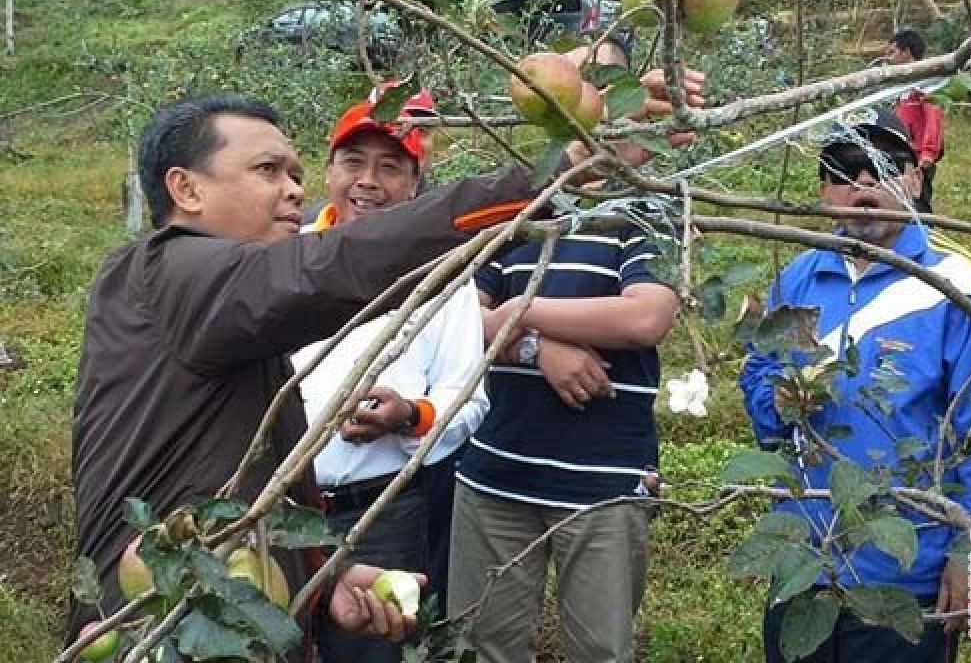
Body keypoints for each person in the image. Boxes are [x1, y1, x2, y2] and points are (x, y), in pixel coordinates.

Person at [68, 92, 659, 657]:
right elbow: (334, 266)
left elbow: (234, 473)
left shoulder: (212, 300)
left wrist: (326, 576)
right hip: (158, 621)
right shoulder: (176, 272)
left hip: (225, 596)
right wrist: (553, 173)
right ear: (186, 188)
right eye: (268, 171)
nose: (291, 189)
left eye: (295, 173)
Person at [445, 50, 704, 663]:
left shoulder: (650, 206)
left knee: (599, 650)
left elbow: (645, 316)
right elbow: (459, 317)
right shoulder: (520, 210)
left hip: (603, 484)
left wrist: (521, 314)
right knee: (484, 647)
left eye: (598, 77)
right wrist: (540, 348)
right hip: (493, 473)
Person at [739, 107, 971, 663]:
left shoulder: (960, 282)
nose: (864, 184)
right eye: (845, 170)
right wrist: (774, 400)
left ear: (915, 178)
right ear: (823, 188)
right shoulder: (797, 277)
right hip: (804, 565)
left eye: (884, 166)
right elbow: (759, 381)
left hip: (904, 575)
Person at [291, 85, 490, 661]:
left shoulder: (441, 278)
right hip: (280, 511)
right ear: (328, 171)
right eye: (353, 162)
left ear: (414, 182)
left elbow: (470, 398)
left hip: (380, 516)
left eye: (390, 167)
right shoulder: (283, 255)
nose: (368, 181)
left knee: (371, 649)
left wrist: (409, 416)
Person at [885, 29, 944, 213]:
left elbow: (933, 116)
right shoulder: (903, 86)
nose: (888, 58)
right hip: (904, 152)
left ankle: (923, 236)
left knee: (919, 199)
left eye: (892, 52)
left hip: (919, 155)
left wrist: (928, 151)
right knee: (905, 197)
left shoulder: (923, 83)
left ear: (907, 52)